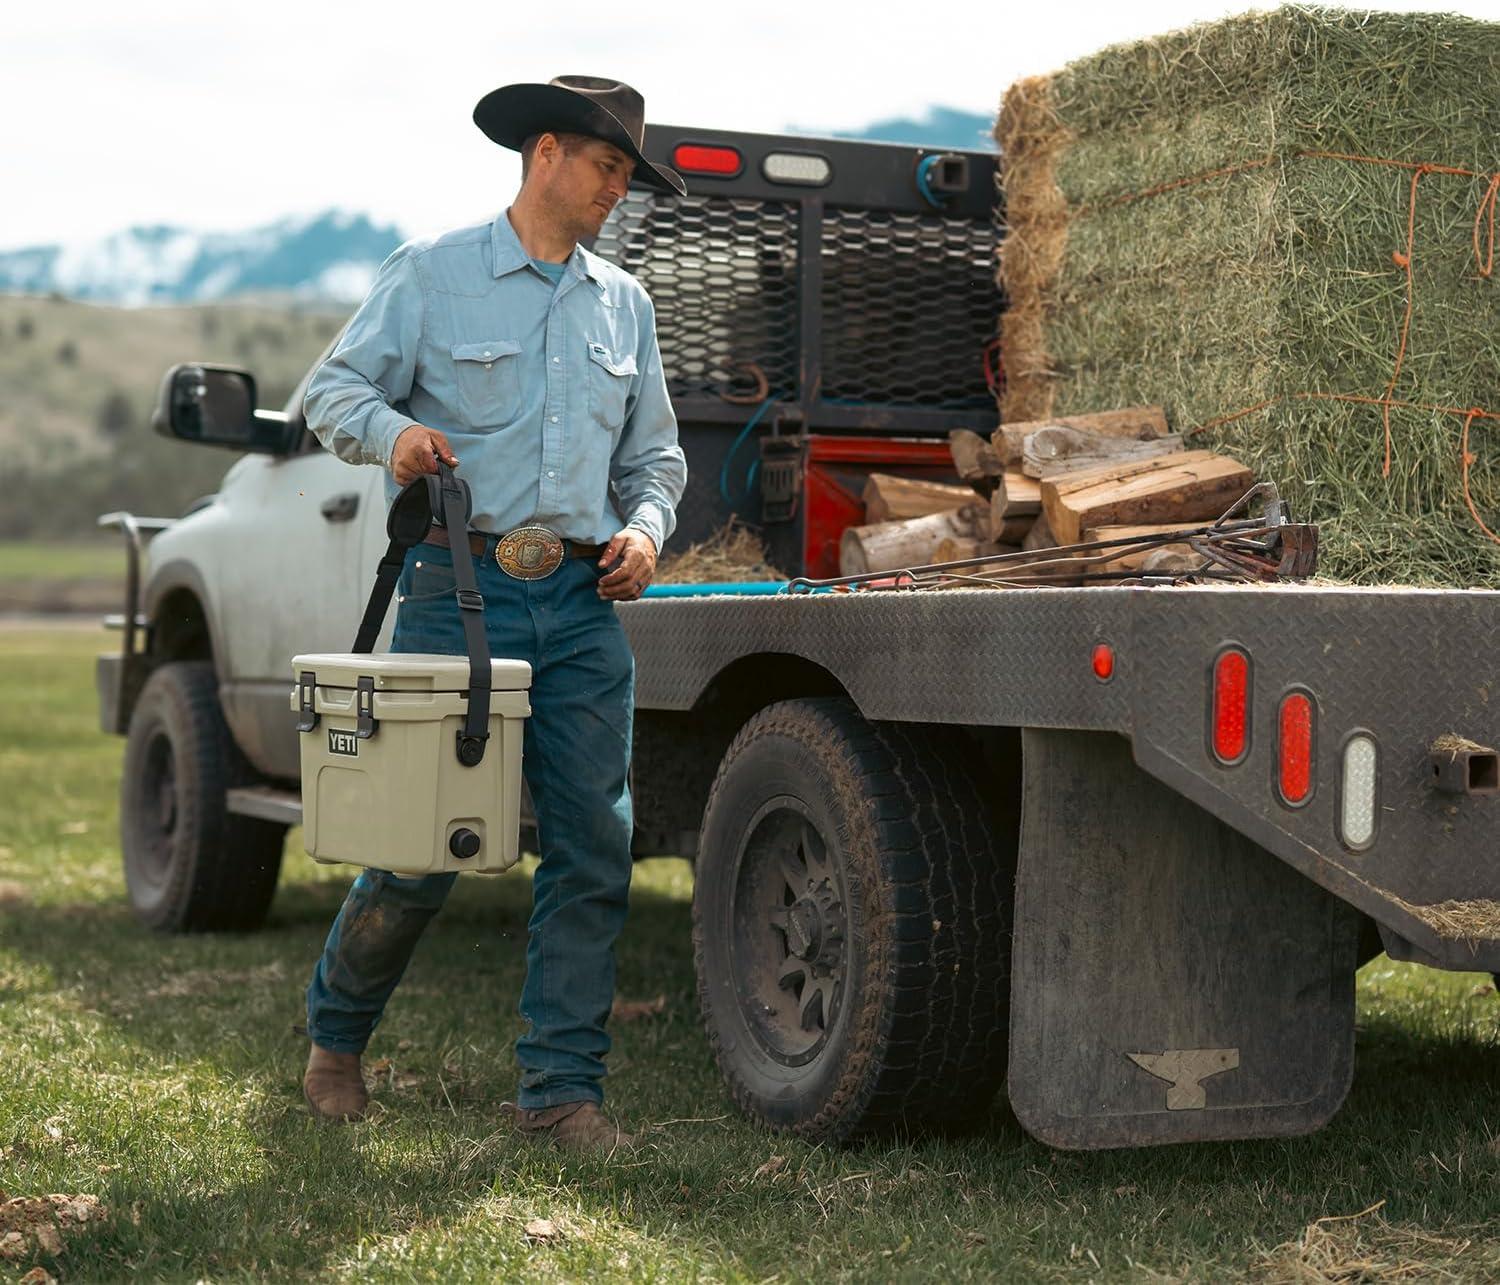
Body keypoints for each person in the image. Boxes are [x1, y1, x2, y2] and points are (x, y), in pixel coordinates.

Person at [297, 75, 688, 1154]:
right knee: (419, 848)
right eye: (607, 166)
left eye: (627, 174)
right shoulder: (432, 273)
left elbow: (655, 457)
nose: (617, 190)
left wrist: (645, 529)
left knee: (593, 846)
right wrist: (397, 437)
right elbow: (332, 392)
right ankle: (336, 1039)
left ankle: (559, 1094)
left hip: (582, 601)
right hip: (456, 591)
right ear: (545, 152)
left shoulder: (626, 304)